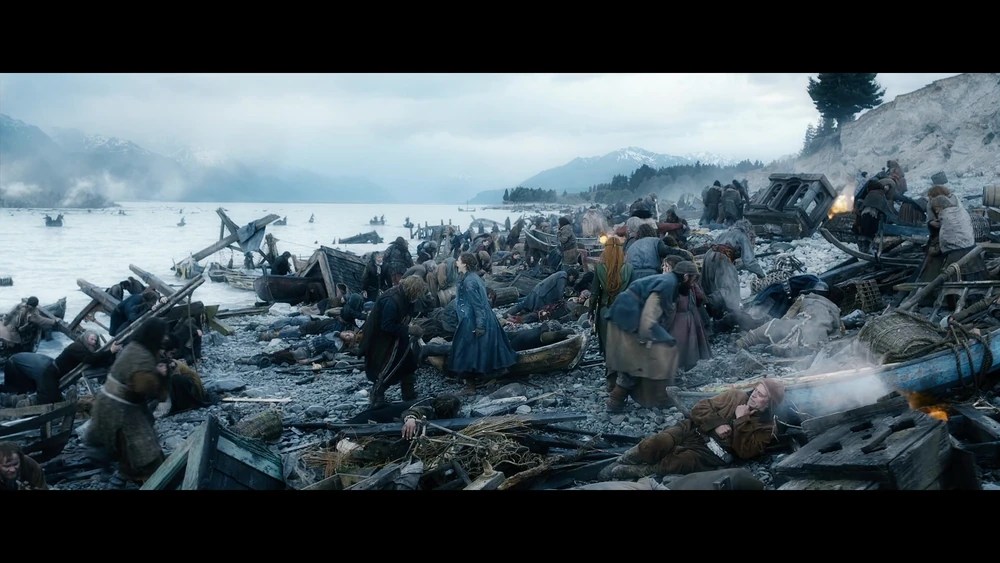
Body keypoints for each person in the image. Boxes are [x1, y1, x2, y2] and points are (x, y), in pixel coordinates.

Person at [600, 378, 786, 480]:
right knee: (655, 443)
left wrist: (741, 420)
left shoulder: (767, 427)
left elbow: (746, 453)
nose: (753, 395)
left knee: (675, 463)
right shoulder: (735, 396)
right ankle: (623, 459)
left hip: (712, 453)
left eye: (760, 395)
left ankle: (633, 471)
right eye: (755, 390)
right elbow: (699, 408)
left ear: (769, 403)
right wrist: (717, 424)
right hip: (692, 429)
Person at [84, 318, 171, 484]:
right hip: (119, 408)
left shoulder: (134, 347)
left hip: (111, 402)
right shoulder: (142, 356)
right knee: (142, 449)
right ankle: (145, 478)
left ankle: (124, 473)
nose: (165, 338)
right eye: (163, 335)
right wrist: (160, 376)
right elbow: (143, 386)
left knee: (129, 446)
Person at [604, 269, 685, 412]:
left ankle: (618, 399)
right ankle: (619, 399)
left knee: (635, 361)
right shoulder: (668, 283)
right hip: (629, 315)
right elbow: (650, 311)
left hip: (627, 313)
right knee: (642, 359)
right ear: (686, 277)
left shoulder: (668, 281)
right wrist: (645, 335)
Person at [448, 252, 518, 394]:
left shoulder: (469, 281)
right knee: (479, 349)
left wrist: (480, 325)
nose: (456, 262)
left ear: (465, 264)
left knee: (465, 351)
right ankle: (483, 378)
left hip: (473, 319)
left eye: (458, 260)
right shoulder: (471, 277)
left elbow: (478, 305)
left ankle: (470, 386)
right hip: (478, 317)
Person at [0, 329, 121, 406]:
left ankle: (19, 400)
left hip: (54, 374)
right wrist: (110, 351)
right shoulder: (76, 347)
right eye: (91, 339)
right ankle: (20, 404)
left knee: (53, 397)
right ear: (85, 338)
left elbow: (95, 360)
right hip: (51, 373)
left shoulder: (82, 349)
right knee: (47, 399)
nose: (93, 342)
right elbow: (91, 359)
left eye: (95, 340)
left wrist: (110, 355)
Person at [359, 275, 427, 405]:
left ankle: (409, 395)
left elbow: (406, 315)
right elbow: (386, 325)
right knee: (387, 367)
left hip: (397, 336)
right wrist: (409, 330)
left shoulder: (406, 297)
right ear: (413, 291)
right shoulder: (391, 301)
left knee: (409, 363)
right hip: (381, 339)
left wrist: (410, 328)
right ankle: (377, 396)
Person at [736, 284, 843, 357]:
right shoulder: (835, 310)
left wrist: (782, 324)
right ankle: (791, 349)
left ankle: (742, 342)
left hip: (802, 329)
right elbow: (839, 331)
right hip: (818, 339)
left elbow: (789, 315)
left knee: (775, 325)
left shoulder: (808, 298)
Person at [700, 219, 764, 331]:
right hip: (722, 258)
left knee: (712, 286)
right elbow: (749, 261)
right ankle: (735, 317)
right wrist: (761, 274)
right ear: (748, 231)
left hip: (708, 257)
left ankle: (713, 314)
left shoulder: (724, 233)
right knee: (729, 290)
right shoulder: (742, 236)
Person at [589, 235, 634, 391]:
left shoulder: (599, 268)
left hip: (605, 311)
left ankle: (611, 379)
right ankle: (623, 378)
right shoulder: (629, 268)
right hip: (623, 311)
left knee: (608, 345)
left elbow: (594, 293)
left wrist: (590, 311)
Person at [670, 260, 712, 370]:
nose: (693, 283)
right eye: (692, 280)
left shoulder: (681, 287)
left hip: (683, 321)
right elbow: (700, 297)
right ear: (685, 277)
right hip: (684, 321)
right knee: (687, 347)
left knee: (686, 347)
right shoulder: (678, 288)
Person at [503, 269, 574, 319]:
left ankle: (505, 315)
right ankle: (517, 320)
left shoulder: (560, 274)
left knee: (523, 305)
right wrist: (563, 300)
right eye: (573, 278)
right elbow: (560, 292)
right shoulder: (563, 276)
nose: (572, 280)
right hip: (541, 295)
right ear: (571, 275)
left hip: (538, 290)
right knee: (537, 312)